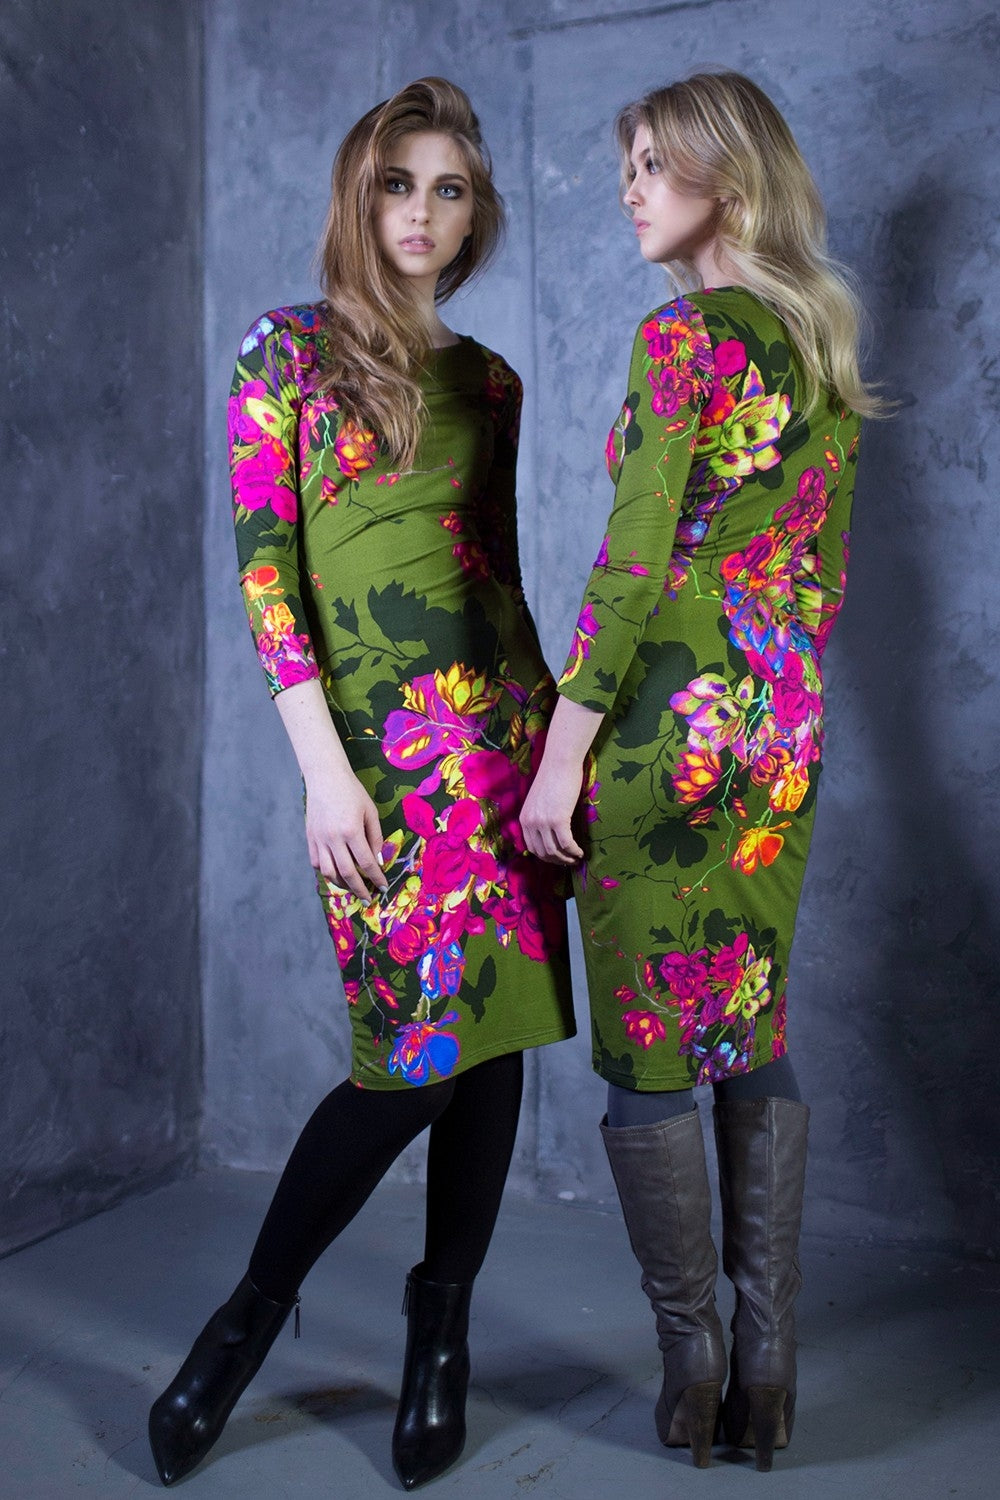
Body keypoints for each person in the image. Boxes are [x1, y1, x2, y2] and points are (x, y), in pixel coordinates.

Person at [149, 77, 574, 1490]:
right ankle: (243, 1325)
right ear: (359, 194)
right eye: (400, 184)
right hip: (378, 768)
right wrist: (324, 776)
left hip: (505, 747)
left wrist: (558, 762)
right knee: (409, 1061)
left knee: (494, 1048)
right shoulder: (283, 351)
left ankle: (439, 1330)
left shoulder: (490, 383)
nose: (422, 213)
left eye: (449, 190)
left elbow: (497, 581)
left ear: (474, 213)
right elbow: (266, 576)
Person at [521, 70, 882, 1472]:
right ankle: (770, 1367)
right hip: (775, 733)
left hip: (661, 727)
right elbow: (820, 579)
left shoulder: (684, 338)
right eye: (626, 167)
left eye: (654, 168)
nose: (629, 192)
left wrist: (562, 755)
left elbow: (629, 567)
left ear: (726, 182)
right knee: (750, 1016)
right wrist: (767, 698)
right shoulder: (822, 343)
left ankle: (694, 1367)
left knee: (652, 1043)